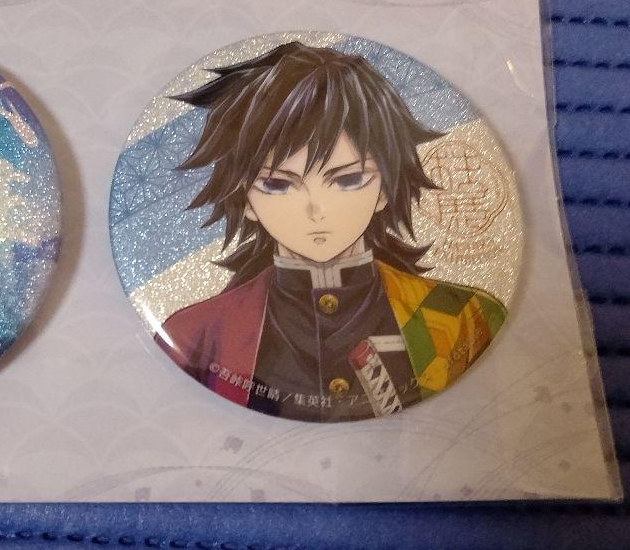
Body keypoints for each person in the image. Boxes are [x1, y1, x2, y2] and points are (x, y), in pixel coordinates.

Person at [156, 42, 506, 422]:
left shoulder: (467, 318)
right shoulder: (195, 336)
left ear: (384, 190)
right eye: (278, 184)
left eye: (348, 180)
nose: (316, 209)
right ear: (245, 200)